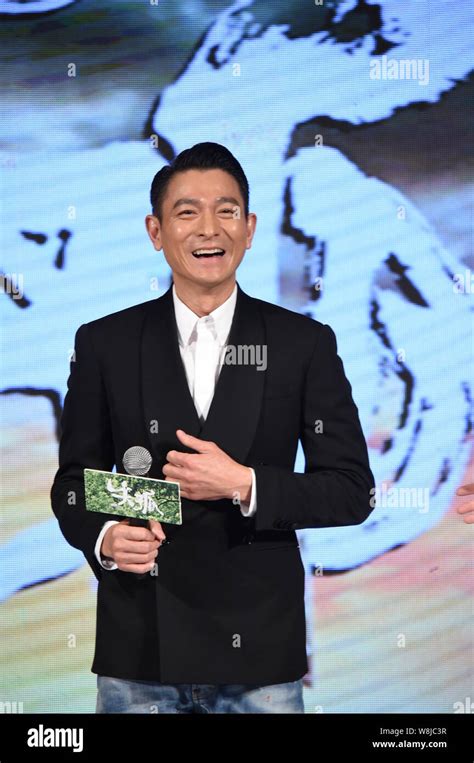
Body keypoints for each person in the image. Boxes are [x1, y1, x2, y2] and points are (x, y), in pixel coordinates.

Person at [50, 142, 375, 714]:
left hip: (260, 663)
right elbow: (75, 482)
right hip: (140, 653)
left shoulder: (303, 344)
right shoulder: (105, 344)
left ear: (249, 228)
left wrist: (245, 483)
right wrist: (104, 537)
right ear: (155, 230)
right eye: (187, 212)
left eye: (227, 211)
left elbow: (352, 490)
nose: (209, 229)